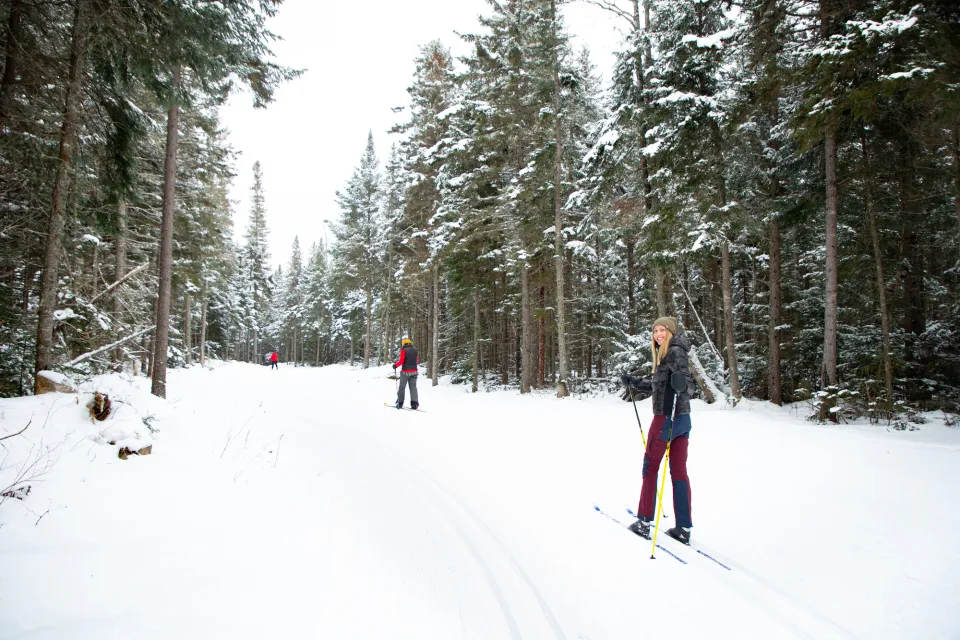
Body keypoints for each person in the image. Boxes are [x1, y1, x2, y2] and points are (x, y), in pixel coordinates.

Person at [620, 316, 695, 545]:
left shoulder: (674, 352)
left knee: (650, 468)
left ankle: (643, 522)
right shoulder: (669, 353)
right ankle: (683, 528)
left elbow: (688, 385)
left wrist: (682, 386)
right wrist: (634, 382)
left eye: (662, 330)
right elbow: (659, 386)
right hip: (682, 420)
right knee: (679, 472)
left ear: (670, 331)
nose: (658, 334)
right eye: (655, 331)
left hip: (666, 419)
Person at [393, 338, 419, 409]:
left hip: (405, 372)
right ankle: (414, 404)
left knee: (402, 387)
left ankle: (400, 403)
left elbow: (401, 361)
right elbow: (416, 361)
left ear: (404, 343)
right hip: (414, 372)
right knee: (413, 387)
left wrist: (395, 365)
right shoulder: (415, 350)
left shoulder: (403, 350)